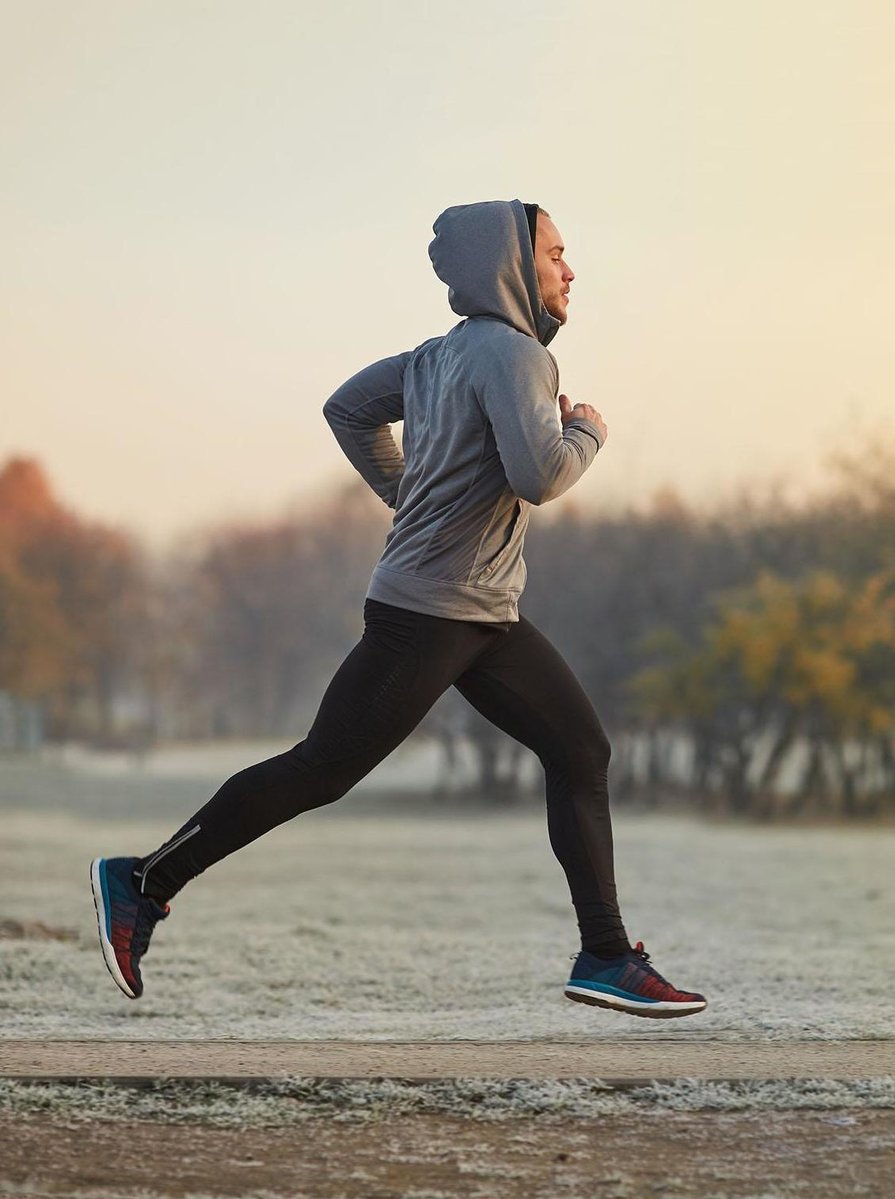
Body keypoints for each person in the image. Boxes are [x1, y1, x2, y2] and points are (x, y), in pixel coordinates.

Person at [90, 199, 707, 1019]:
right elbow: (540, 475)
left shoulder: (439, 356)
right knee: (322, 767)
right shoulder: (518, 357)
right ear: (514, 266)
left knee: (580, 750)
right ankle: (141, 882)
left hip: (484, 614)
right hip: (431, 614)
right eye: (556, 253)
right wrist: (588, 432)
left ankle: (604, 954)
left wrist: (404, 491)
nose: (569, 270)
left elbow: (347, 407)